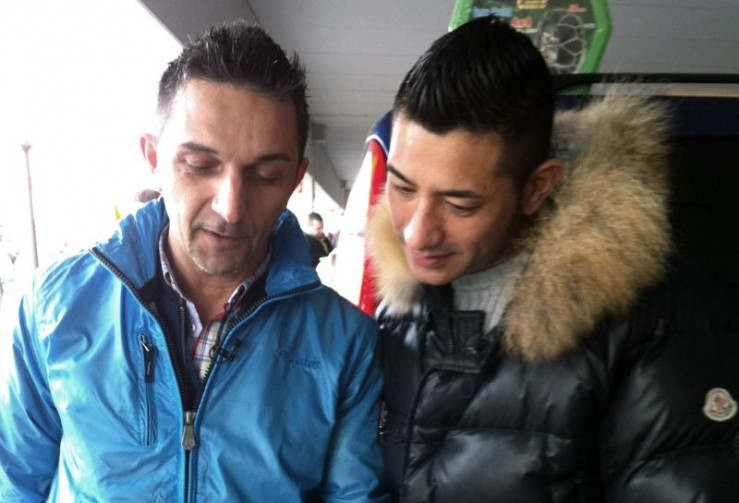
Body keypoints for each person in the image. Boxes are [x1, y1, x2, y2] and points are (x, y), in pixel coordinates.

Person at [0, 21, 388, 502]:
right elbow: (15, 484)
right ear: (153, 158)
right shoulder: (54, 307)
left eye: (266, 175)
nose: (231, 207)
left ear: (296, 178)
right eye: (200, 166)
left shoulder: (346, 342)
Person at [366, 15, 739, 502]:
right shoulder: (400, 310)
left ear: (538, 187)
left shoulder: (654, 324)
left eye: (460, 205)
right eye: (402, 188)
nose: (417, 233)